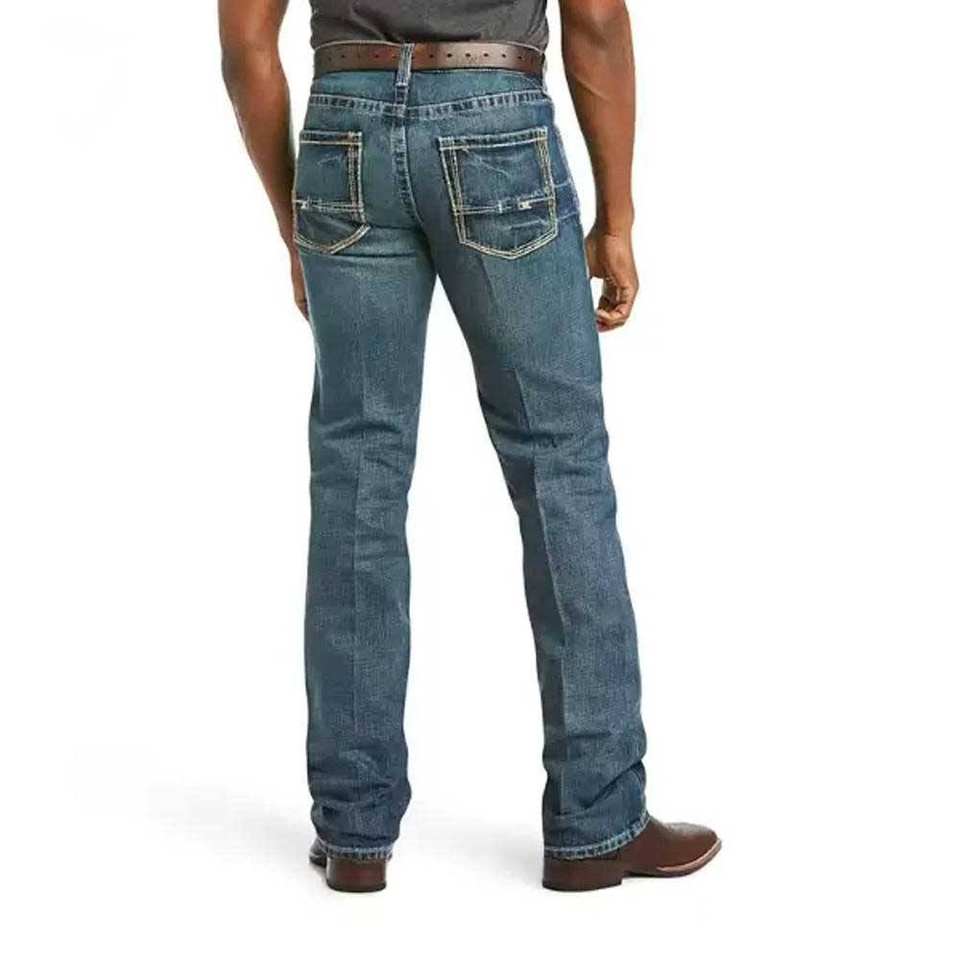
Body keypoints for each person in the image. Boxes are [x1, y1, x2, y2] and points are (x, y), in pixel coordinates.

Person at [219, 0, 719, 893]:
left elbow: (245, 42)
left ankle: (354, 830)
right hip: (495, 121)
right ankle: (597, 822)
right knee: (560, 467)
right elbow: (597, 19)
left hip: (343, 128)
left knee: (358, 477)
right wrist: (617, 217)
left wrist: (295, 220)